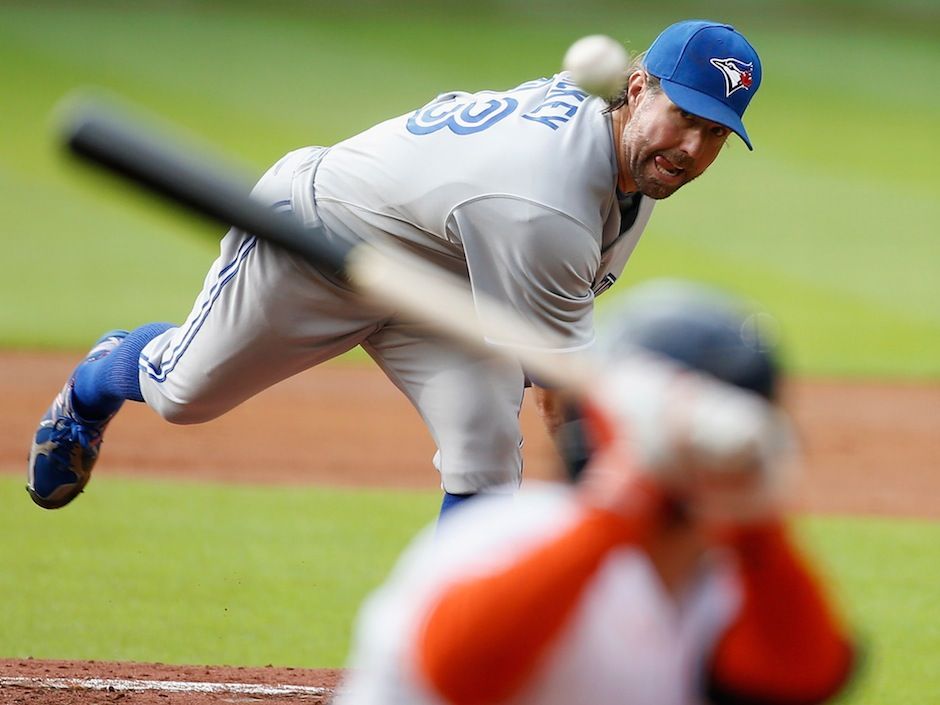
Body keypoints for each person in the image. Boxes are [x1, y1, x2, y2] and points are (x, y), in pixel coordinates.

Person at [28, 20, 763, 514]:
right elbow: (564, 389)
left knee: (483, 452)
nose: (692, 149)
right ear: (638, 90)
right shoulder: (544, 203)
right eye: (684, 118)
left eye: (715, 134)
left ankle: (466, 660)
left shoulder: (629, 155)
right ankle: (96, 380)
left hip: (445, 278)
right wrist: (597, 496)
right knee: (183, 393)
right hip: (318, 234)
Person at [334, 280, 857, 705]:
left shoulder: (728, 575)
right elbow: (460, 674)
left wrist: (757, 524)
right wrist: (623, 502)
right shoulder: (502, 534)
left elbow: (800, 682)